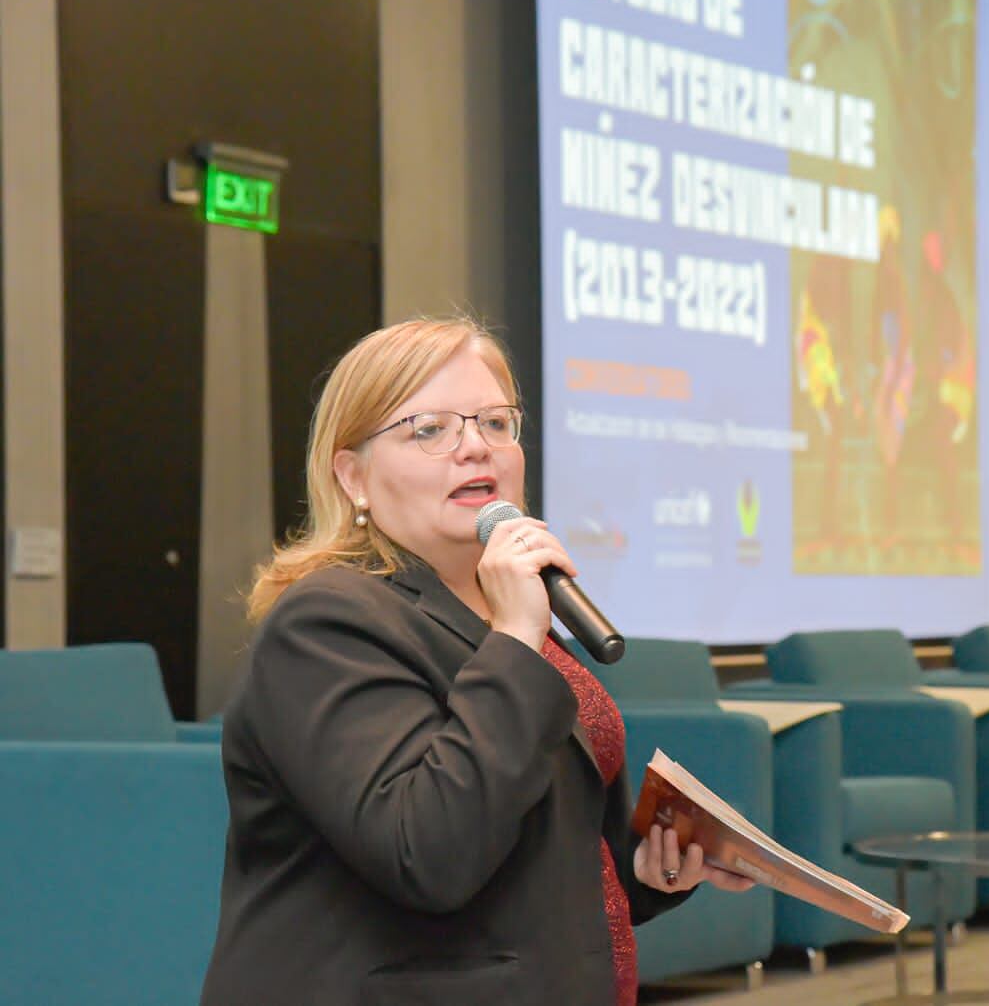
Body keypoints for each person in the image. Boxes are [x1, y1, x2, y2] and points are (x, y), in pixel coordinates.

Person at [201, 317, 751, 1006]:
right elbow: (428, 852)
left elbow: (535, 842)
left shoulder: (505, 610)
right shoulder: (326, 622)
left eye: (495, 422)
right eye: (429, 428)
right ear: (353, 476)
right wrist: (518, 638)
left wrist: (643, 869)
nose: (474, 447)